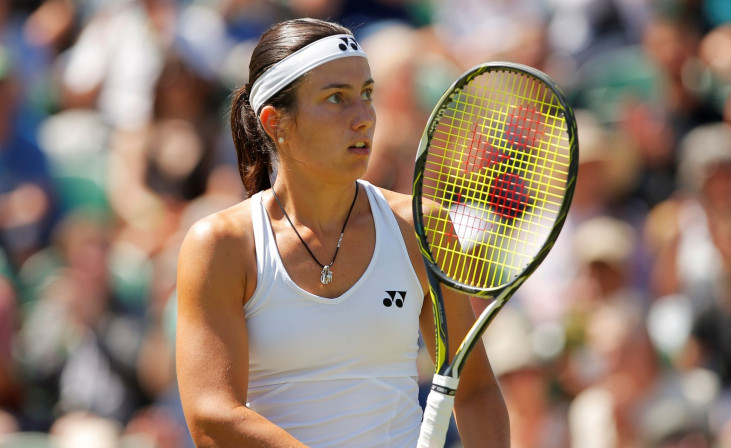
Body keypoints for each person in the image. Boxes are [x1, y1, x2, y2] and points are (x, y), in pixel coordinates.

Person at [175, 18, 508, 448]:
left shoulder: (419, 226)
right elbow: (211, 416)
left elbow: (476, 387)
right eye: (337, 98)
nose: (364, 118)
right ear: (277, 123)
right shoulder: (220, 245)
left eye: (367, 94)